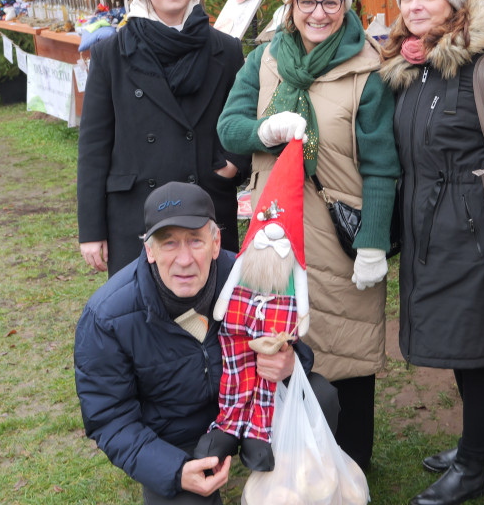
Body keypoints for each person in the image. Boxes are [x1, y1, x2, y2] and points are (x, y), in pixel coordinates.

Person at [217, 0, 400, 470]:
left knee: (348, 348)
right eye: (307, 1)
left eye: (331, 1)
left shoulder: (367, 67)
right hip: (275, 233)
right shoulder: (265, 61)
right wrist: (262, 132)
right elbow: (228, 126)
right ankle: (291, 459)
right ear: (290, 5)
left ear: (346, 4)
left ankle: (353, 462)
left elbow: (383, 164)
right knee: (277, 345)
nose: (319, 13)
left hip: (340, 236)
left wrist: (373, 243)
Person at [74, 181, 333, 505]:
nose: (184, 260)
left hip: (253, 406)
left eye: (195, 241)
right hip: (172, 434)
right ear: (149, 250)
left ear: (215, 243)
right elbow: (110, 418)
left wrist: (291, 363)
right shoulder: (108, 316)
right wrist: (174, 471)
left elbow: (289, 340)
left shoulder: (247, 275)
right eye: (169, 243)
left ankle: (298, 487)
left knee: (320, 397)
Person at [379, 0, 484, 505]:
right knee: (462, 348)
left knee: (476, 350)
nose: (414, 5)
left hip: (473, 234)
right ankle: (478, 446)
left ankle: (474, 468)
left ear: (454, 2)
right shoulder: (411, 69)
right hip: (427, 233)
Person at [78, 0, 250, 277]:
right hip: (135, 212)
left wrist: (233, 164)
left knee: (209, 315)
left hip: (205, 203)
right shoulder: (111, 54)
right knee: (140, 316)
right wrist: (92, 231)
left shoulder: (225, 50)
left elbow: (243, 117)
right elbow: (94, 146)